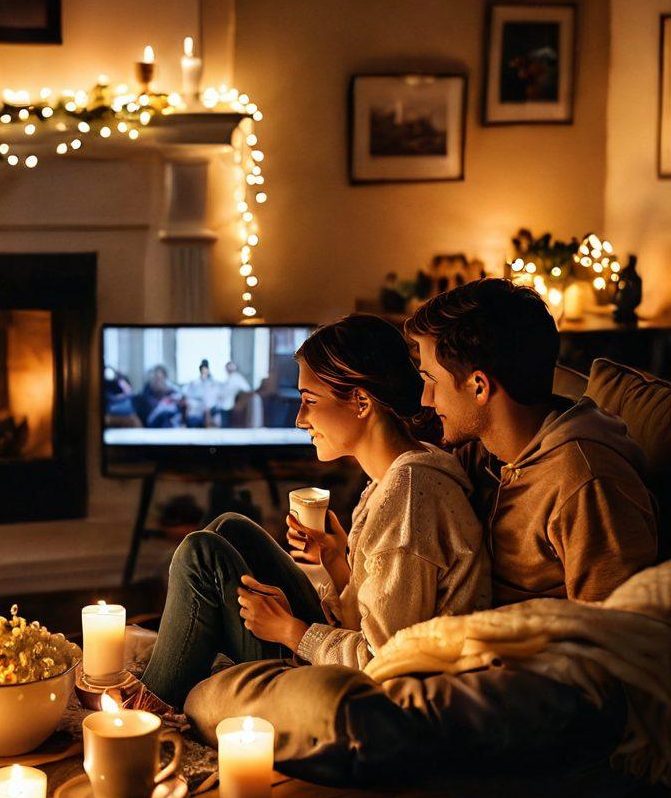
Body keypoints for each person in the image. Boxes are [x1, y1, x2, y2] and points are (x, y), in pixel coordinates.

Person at [134, 314, 491, 709]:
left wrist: (291, 631)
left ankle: (147, 710)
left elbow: (385, 661)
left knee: (200, 554)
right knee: (230, 528)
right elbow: (379, 612)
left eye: (309, 401)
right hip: (352, 667)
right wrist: (339, 562)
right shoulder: (398, 474)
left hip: (369, 700)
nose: (300, 419)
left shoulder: (408, 494)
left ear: (360, 401)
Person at [406, 278, 658, 605]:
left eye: (431, 380)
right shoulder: (480, 452)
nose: (426, 398)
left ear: (479, 386)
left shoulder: (587, 483)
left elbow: (616, 636)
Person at [183, 360, 222, 427]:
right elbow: (188, 395)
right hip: (197, 410)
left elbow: (217, 397)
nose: (204, 371)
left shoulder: (214, 383)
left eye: (206, 368)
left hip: (212, 409)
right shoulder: (194, 383)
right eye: (203, 369)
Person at [218, 360, 253, 426]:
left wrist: (240, 402)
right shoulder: (228, 379)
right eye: (228, 367)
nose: (229, 369)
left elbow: (248, 390)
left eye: (231, 367)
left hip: (231, 408)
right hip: (223, 407)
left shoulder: (237, 378)